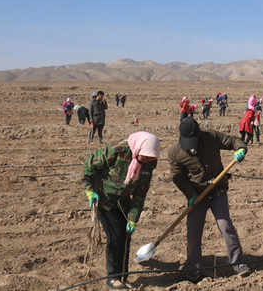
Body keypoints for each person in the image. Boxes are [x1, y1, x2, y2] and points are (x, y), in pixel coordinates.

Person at [167, 117, 250, 283]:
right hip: (198, 197)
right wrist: (191, 196)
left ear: (199, 133)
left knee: (226, 226)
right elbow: (179, 178)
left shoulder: (210, 136)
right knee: (193, 235)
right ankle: (193, 273)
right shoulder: (175, 152)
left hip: (218, 190)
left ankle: (238, 263)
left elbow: (233, 141)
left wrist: (241, 149)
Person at [83, 132, 160, 290]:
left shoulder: (149, 164)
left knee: (125, 238)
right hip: (105, 199)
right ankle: (112, 278)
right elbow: (89, 166)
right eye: (145, 157)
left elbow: (140, 194)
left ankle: (123, 277)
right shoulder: (117, 151)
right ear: (137, 149)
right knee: (115, 237)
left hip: (123, 202)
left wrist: (133, 218)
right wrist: (89, 189)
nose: (147, 161)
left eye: (151, 158)